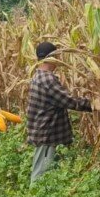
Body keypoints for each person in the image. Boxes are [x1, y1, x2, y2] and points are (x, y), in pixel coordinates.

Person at [26, 41, 92, 184]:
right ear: (52, 57)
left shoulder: (38, 76)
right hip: (47, 135)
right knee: (40, 176)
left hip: (44, 133)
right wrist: (93, 105)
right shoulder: (47, 79)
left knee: (48, 173)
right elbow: (68, 101)